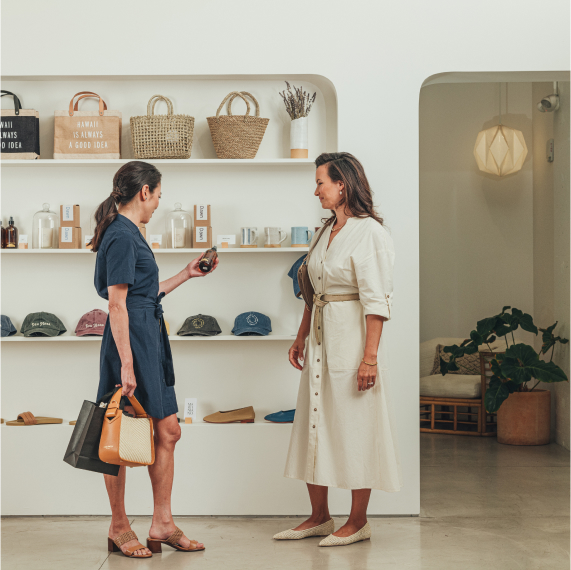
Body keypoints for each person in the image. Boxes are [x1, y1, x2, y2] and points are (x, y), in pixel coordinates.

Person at [275, 152, 403, 547]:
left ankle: (358, 520)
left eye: (320, 183)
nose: (316, 191)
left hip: (351, 341)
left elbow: (377, 302)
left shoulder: (371, 234)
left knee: (354, 425)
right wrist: (300, 336)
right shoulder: (325, 230)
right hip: (319, 338)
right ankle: (319, 516)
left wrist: (369, 358)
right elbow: (313, 292)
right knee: (315, 420)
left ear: (342, 184)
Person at [92, 161, 218, 558]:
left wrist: (186, 274)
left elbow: (143, 295)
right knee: (119, 435)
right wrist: (127, 364)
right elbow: (116, 305)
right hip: (130, 342)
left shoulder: (131, 233)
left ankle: (162, 523)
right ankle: (118, 527)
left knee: (167, 432)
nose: (159, 203)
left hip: (148, 336)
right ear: (144, 191)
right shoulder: (122, 236)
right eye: (159, 195)